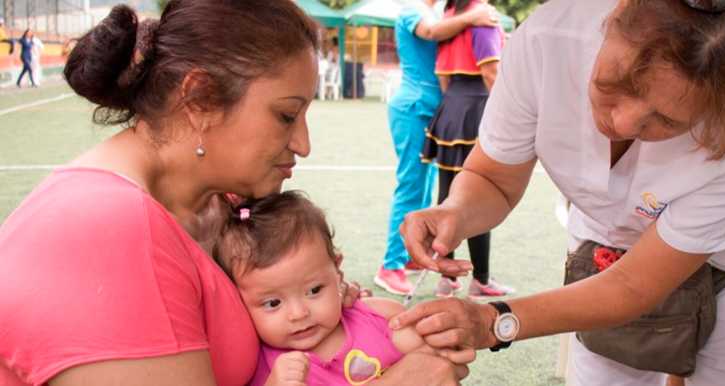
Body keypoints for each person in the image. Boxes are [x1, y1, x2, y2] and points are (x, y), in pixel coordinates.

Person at [0, 1, 469, 385]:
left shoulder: (220, 203)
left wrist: (321, 298)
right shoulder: (110, 231)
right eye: (287, 115)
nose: (303, 143)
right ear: (200, 98)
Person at [392, 0, 725, 385]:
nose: (624, 123)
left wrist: (493, 320)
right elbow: (494, 180)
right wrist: (456, 211)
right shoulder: (545, 43)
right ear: (614, 19)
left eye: (667, 119)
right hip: (607, 250)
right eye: (618, 83)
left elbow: (633, 286)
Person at [213, 191, 441, 385]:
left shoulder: (379, 319)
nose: (299, 313)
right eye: (273, 303)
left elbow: (438, 365)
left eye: (314, 290)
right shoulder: (255, 366)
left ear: (337, 271)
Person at [375, 0, 499, 295]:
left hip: (436, 110)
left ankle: (409, 254)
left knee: (430, 189)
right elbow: (431, 32)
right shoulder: (413, 10)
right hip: (414, 107)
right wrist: (474, 15)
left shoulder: (442, 13)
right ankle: (390, 266)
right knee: (411, 187)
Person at [420, 0, 513, 299]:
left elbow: (443, 76)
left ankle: (446, 277)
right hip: (477, 105)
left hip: (451, 108)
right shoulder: (482, 14)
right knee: (478, 195)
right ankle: (481, 279)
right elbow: (491, 73)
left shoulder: (449, 16)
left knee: (447, 195)